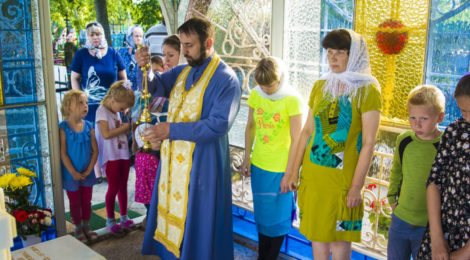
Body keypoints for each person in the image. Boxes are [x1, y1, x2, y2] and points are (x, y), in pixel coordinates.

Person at [136, 17, 241, 260]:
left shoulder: (226, 79)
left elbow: (218, 125)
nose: (184, 51)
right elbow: (155, 86)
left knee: (199, 222)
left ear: (209, 42)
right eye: (182, 44)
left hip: (203, 166)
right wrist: (143, 68)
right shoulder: (184, 72)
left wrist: (170, 131)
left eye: (190, 45)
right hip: (174, 163)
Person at [289, 29, 381, 259]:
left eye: (340, 53)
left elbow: (369, 143)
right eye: (329, 52)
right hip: (314, 178)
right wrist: (292, 171)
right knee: (317, 238)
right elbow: (307, 131)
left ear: (356, 55)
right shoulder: (321, 85)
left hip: (342, 185)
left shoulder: (367, 89)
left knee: (341, 244)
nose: (333, 58)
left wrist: (356, 187)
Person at [240, 57, 303, 260]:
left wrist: (291, 173)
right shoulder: (257, 95)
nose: (265, 89)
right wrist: (246, 157)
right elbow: (250, 127)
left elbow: (297, 139)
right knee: (263, 216)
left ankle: (270, 256)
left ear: (280, 79)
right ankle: (263, 256)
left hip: (280, 169)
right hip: (260, 165)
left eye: (270, 85)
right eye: (261, 85)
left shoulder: (292, 99)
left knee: (278, 218)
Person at [386, 85, 445, 260]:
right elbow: (396, 170)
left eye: (424, 118)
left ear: (439, 117)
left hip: (428, 225)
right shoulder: (403, 140)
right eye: (412, 117)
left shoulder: (445, 146)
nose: (417, 124)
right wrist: (392, 200)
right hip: (400, 219)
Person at [417, 73, 470, 259]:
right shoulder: (455, 131)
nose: (467, 117)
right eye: (463, 111)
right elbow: (434, 182)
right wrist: (437, 238)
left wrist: (464, 253)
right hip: (445, 230)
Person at [70, 22, 127, 182]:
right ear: (87, 37)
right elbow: (74, 77)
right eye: (91, 34)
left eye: (98, 34)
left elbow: (123, 78)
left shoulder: (113, 53)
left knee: (112, 136)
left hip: (112, 106)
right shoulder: (81, 54)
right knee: (93, 139)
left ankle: (112, 168)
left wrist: (124, 98)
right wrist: (79, 97)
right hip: (90, 106)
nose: (95, 37)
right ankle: (97, 173)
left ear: (103, 35)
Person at [94, 80, 135, 237]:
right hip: (111, 156)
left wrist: (126, 130)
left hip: (123, 153)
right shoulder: (102, 111)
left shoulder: (115, 111)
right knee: (113, 187)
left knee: (123, 185)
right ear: (113, 100)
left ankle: (124, 216)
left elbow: (119, 131)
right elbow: (106, 134)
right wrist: (124, 128)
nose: (123, 110)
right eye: (122, 106)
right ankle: (110, 220)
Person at [59, 89, 99, 243]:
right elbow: (63, 153)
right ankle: (77, 227)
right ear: (69, 106)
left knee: (87, 200)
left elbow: (95, 151)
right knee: (75, 201)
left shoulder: (89, 126)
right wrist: (73, 172)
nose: (85, 106)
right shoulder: (63, 127)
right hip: (71, 174)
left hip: (87, 171)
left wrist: (89, 170)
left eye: (86, 103)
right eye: (81, 103)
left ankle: (86, 225)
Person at [118, 25, 144, 91]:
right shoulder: (120, 53)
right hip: (122, 92)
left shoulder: (144, 54)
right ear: (129, 37)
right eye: (136, 36)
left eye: (141, 36)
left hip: (139, 93)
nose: (139, 39)